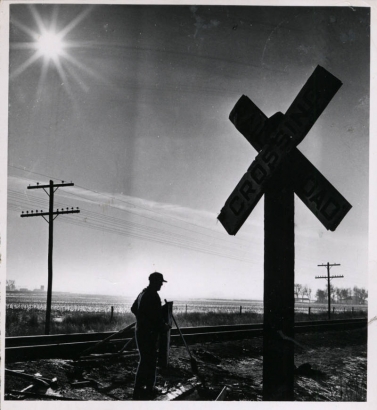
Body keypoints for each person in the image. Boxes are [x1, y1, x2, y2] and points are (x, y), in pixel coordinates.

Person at [131, 272, 170, 400]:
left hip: (140, 331)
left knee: (145, 360)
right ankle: (148, 389)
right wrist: (163, 326)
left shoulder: (142, 293)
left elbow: (133, 308)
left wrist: (142, 319)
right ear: (154, 281)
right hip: (148, 334)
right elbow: (157, 317)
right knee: (150, 361)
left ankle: (141, 388)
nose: (161, 285)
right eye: (160, 282)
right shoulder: (153, 296)